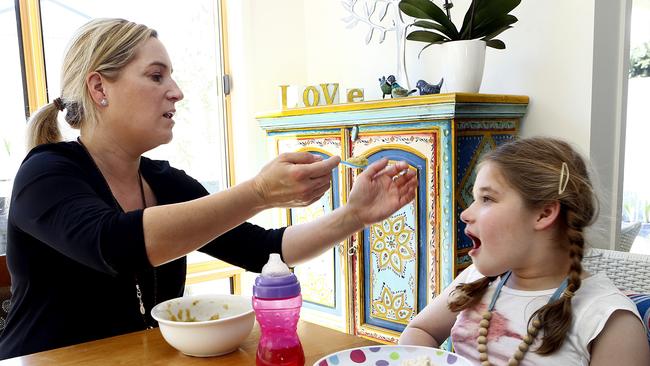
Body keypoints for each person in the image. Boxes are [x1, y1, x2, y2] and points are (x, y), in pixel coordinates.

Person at [0, 18, 417, 359]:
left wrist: (355, 214)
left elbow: (267, 250)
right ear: (99, 88)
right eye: (155, 75)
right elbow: (114, 244)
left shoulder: (164, 181)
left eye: (172, 77)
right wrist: (258, 193)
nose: (177, 92)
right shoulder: (46, 174)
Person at [399, 137, 650, 365]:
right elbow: (421, 331)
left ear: (544, 213)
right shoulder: (477, 280)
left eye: (486, 199)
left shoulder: (609, 321)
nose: (465, 214)